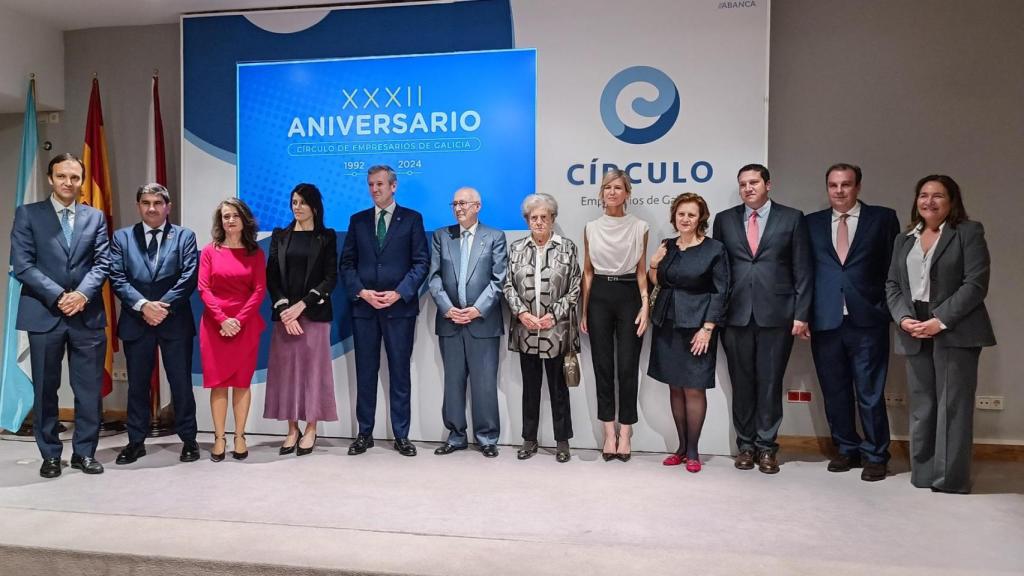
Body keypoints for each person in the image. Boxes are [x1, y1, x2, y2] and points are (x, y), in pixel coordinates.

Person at [886, 175, 995, 494]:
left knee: (953, 407)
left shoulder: (968, 232)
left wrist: (940, 320)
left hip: (956, 329)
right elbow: (892, 284)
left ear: (952, 201)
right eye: (923, 195)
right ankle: (923, 474)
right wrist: (903, 318)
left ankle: (949, 479)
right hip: (913, 327)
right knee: (922, 405)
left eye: (938, 196)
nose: (929, 201)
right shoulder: (905, 238)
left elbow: (975, 284)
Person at [11, 153, 110, 478]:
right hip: (43, 313)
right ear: (51, 179)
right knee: (45, 390)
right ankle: (50, 455)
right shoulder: (27, 214)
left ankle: (84, 453)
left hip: (87, 315)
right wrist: (59, 296)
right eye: (62, 176)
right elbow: (22, 265)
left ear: (81, 182)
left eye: (75, 177)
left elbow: (102, 263)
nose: (69, 183)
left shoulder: (94, 217)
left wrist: (81, 295)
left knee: (88, 390)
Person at [712, 163, 812, 474]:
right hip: (736, 315)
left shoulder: (791, 218)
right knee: (742, 383)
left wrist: (801, 314)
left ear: (768, 184)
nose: (748, 188)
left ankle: (767, 447)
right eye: (743, 184)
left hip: (777, 315)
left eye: (754, 182)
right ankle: (746, 446)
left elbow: (803, 269)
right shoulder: (725, 220)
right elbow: (721, 270)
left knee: (769, 384)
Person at [807, 164, 900, 482]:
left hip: (868, 319)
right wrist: (804, 314)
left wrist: (890, 309)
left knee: (870, 392)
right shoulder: (812, 223)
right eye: (833, 185)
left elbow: (893, 268)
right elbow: (805, 273)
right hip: (826, 320)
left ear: (858, 187)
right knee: (834, 390)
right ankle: (846, 449)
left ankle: (876, 454)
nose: (839, 191)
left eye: (846, 185)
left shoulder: (882, 219)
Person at [340, 165, 429, 457]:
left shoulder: (413, 219)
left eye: (379, 184)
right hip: (364, 310)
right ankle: (364, 433)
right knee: (365, 373)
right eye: (370, 184)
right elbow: (347, 264)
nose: (374, 189)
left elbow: (421, 264)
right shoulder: (358, 221)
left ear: (393, 186)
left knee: (399, 373)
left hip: (399, 310)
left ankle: (401, 435)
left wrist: (399, 293)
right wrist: (362, 292)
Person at [109, 183, 200, 465]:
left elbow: (189, 277)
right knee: (137, 385)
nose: (151, 208)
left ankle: (189, 440)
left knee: (181, 383)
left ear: (167, 207)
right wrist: (143, 306)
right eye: (146, 203)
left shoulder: (184, 236)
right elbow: (117, 277)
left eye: (157, 203)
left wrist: (160, 307)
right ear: (139, 206)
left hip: (174, 321)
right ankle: (136, 442)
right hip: (137, 320)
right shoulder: (122, 238)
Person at [647, 193, 729, 473]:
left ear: (700, 218)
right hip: (667, 324)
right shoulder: (667, 246)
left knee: (693, 388)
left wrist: (707, 329)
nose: (685, 219)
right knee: (675, 386)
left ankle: (693, 451)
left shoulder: (714, 249)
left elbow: (720, 292)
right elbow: (659, 282)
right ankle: (680, 448)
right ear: (674, 217)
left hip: (697, 327)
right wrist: (655, 263)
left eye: (691, 215)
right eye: (681, 214)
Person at [428, 187, 507, 458]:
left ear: (478, 206)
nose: (458, 208)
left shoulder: (495, 237)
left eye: (463, 203)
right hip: (450, 322)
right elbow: (434, 277)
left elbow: (499, 280)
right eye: (455, 204)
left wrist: (476, 309)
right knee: (453, 383)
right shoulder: (441, 236)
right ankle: (456, 435)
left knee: (484, 384)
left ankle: (486, 438)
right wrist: (448, 309)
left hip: (482, 323)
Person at [503, 193, 581, 463]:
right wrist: (522, 313)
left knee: (559, 388)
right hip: (526, 330)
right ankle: (529, 439)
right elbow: (508, 285)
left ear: (553, 219)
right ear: (527, 220)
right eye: (533, 217)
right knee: (530, 387)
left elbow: (574, 288)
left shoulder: (567, 247)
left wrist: (553, 315)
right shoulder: (516, 248)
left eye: (543, 217)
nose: (538, 221)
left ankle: (562, 442)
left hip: (556, 331)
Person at [264, 183, 338, 456]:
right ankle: (292, 429)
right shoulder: (280, 236)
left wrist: (301, 306)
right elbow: (271, 276)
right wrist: (286, 309)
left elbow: (331, 277)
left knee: (313, 373)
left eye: (302, 202)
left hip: (314, 315)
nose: (297, 207)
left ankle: (311, 429)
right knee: (287, 374)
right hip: (285, 317)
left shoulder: (326, 237)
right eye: (294, 202)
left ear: (314, 207)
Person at [581, 169, 650, 462]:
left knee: (627, 366)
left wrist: (646, 305)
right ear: (601, 194)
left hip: (629, 295)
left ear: (627, 193)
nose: (612, 192)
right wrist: (584, 310)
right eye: (607, 187)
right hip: (599, 295)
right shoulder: (591, 228)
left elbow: (642, 270)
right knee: (602, 366)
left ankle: (627, 430)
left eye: (618, 187)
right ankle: (608, 431)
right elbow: (587, 271)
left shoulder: (640, 227)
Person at [198, 198, 267, 462]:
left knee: (241, 383)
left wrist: (238, 319)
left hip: (245, 325)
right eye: (225, 216)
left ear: (244, 219)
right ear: (220, 222)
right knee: (218, 384)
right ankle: (219, 438)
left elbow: (259, 290)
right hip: (215, 326)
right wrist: (222, 319)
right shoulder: (209, 251)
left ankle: (239, 436)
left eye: (234, 216)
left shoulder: (255, 253)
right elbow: (204, 288)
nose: (230, 220)